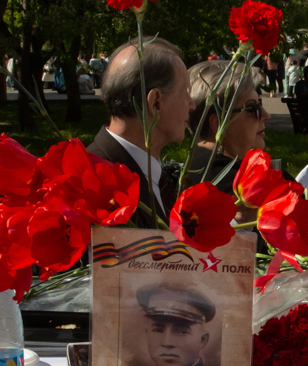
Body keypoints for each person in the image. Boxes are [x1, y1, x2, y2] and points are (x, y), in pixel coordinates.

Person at [88, 38, 193, 227]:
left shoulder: (151, 173)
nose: (192, 104)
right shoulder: (92, 181)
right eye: (185, 92)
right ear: (156, 103)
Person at [180, 60, 268, 196]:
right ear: (218, 124)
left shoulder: (199, 164)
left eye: (259, 104)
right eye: (252, 108)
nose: (265, 115)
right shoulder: (227, 185)